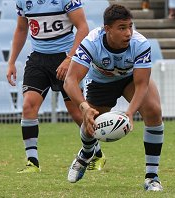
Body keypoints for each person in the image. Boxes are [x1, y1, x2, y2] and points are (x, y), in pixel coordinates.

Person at [64, 4, 164, 191]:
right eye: (122, 28)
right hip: (100, 82)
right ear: (107, 29)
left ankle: (152, 177)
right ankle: (86, 154)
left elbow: (142, 84)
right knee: (89, 125)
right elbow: (70, 81)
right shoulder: (92, 42)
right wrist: (84, 107)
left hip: (130, 79)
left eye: (130, 26)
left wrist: (129, 113)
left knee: (154, 111)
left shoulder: (140, 44)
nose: (128, 32)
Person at [7, 0, 105, 173]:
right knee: (28, 105)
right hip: (38, 59)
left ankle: (97, 153)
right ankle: (32, 161)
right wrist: (12, 62)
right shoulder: (22, 1)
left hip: (65, 57)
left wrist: (69, 59)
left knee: (76, 112)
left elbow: (83, 28)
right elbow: (21, 29)